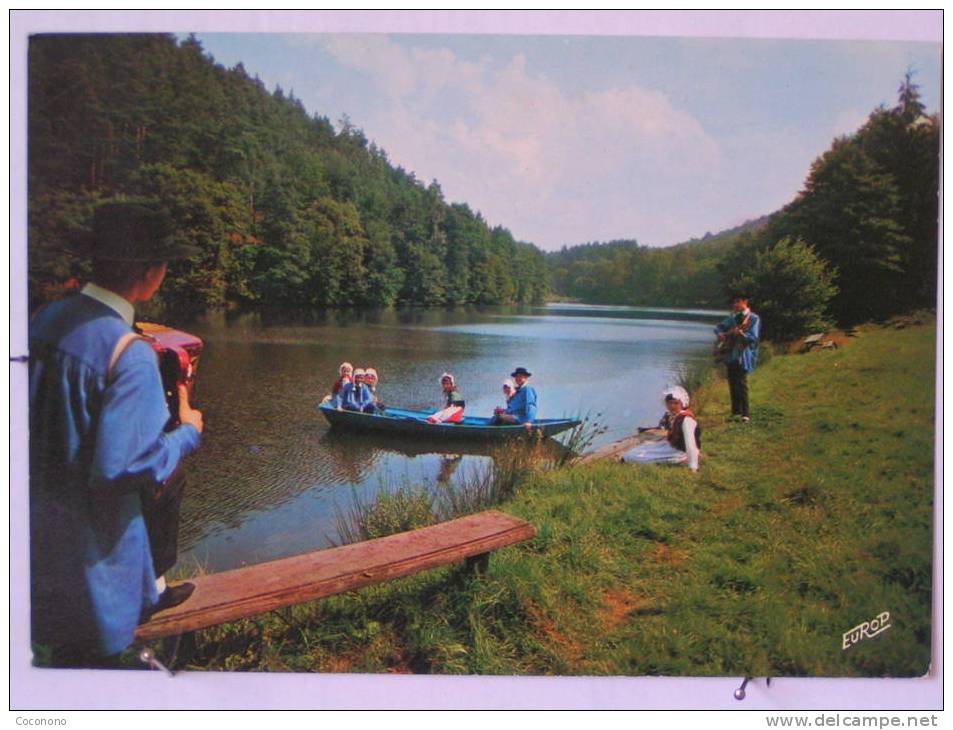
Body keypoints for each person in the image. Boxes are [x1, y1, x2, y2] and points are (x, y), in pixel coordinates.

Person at [29, 202, 204, 666]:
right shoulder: (131, 354)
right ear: (150, 273)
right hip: (96, 578)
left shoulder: (46, 320)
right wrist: (186, 433)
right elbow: (124, 467)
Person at [621, 387, 700, 471]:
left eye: (676, 403)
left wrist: (693, 466)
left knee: (630, 457)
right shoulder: (673, 415)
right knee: (634, 451)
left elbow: (690, 445)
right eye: (670, 403)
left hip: (679, 452)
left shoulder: (686, 420)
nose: (672, 406)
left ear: (682, 404)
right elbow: (664, 428)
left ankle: (681, 459)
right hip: (672, 446)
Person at [714, 296, 761, 422]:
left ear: (745, 302)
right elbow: (718, 327)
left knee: (742, 384)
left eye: (738, 302)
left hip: (743, 356)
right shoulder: (733, 318)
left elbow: (753, 339)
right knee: (732, 383)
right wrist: (720, 334)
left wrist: (741, 334)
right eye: (734, 302)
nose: (735, 304)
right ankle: (735, 411)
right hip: (730, 355)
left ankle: (746, 413)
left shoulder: (753, 318)